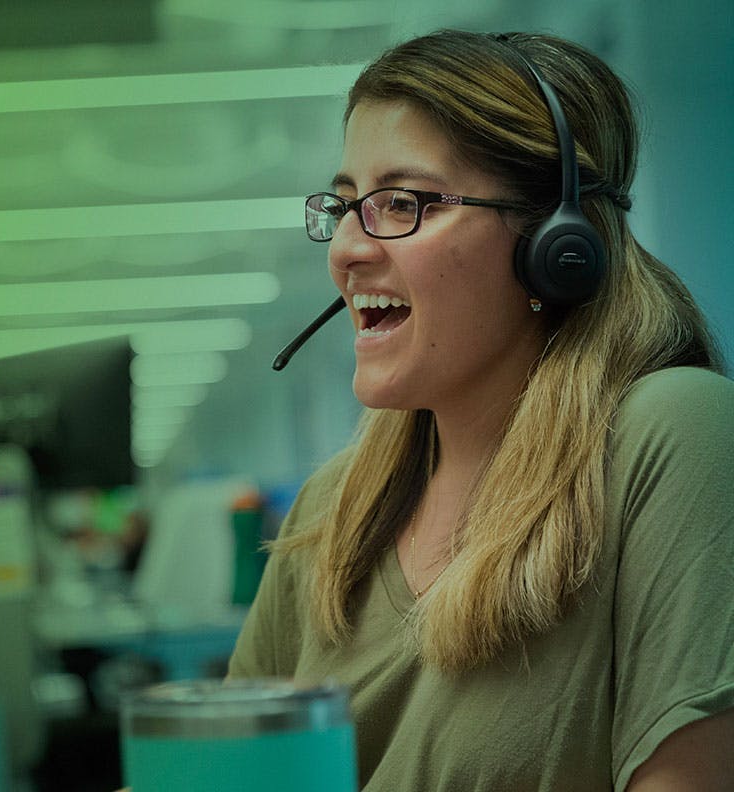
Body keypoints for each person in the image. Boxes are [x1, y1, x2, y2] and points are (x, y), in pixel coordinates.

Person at [227, 29, 734, 791]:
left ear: (554, 245)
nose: (345, 250)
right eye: (343, 207)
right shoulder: (331, 511)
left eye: (401, 203)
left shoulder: (671, 432)